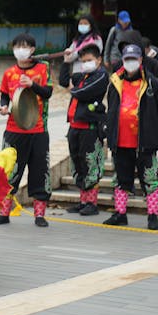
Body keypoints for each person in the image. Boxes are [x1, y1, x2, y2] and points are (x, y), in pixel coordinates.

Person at [0, 32, 53, 227]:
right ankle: (4, 213)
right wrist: (3, 107)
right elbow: (4, 96)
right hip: (13, 130)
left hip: (38, 130)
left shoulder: (43, 69)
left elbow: (48, 92)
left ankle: (40, 215)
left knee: (40, 172)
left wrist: (32, 84)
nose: (21, 50)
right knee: (9, 172)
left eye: (25, 46)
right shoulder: (9, 73)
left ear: (33, 50)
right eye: (18, 46)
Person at [103, 44, 158, 230]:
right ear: (122, 60)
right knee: (121, 178)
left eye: (134, 58)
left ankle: (153, 215)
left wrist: (151, 129)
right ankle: (120, 213)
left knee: (150, 178)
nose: (130, 62)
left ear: (141, 60)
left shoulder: (152, 82)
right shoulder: (115, 81)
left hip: (144, 143)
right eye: (127, 59)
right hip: (121, 142)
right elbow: (112, 108)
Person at [59, 44, 109, 215]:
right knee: (78, 164)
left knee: (90, 164)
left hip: (90, 128)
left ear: (99, 60)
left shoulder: (101, 75)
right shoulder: (83, 76)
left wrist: (74, 89)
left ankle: (92, 204)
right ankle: (83, 201)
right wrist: (66, 63)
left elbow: (82, 92)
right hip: (74, 127)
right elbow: (64, 81)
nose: (86, 63)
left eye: (89, 60)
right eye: (83, 61)